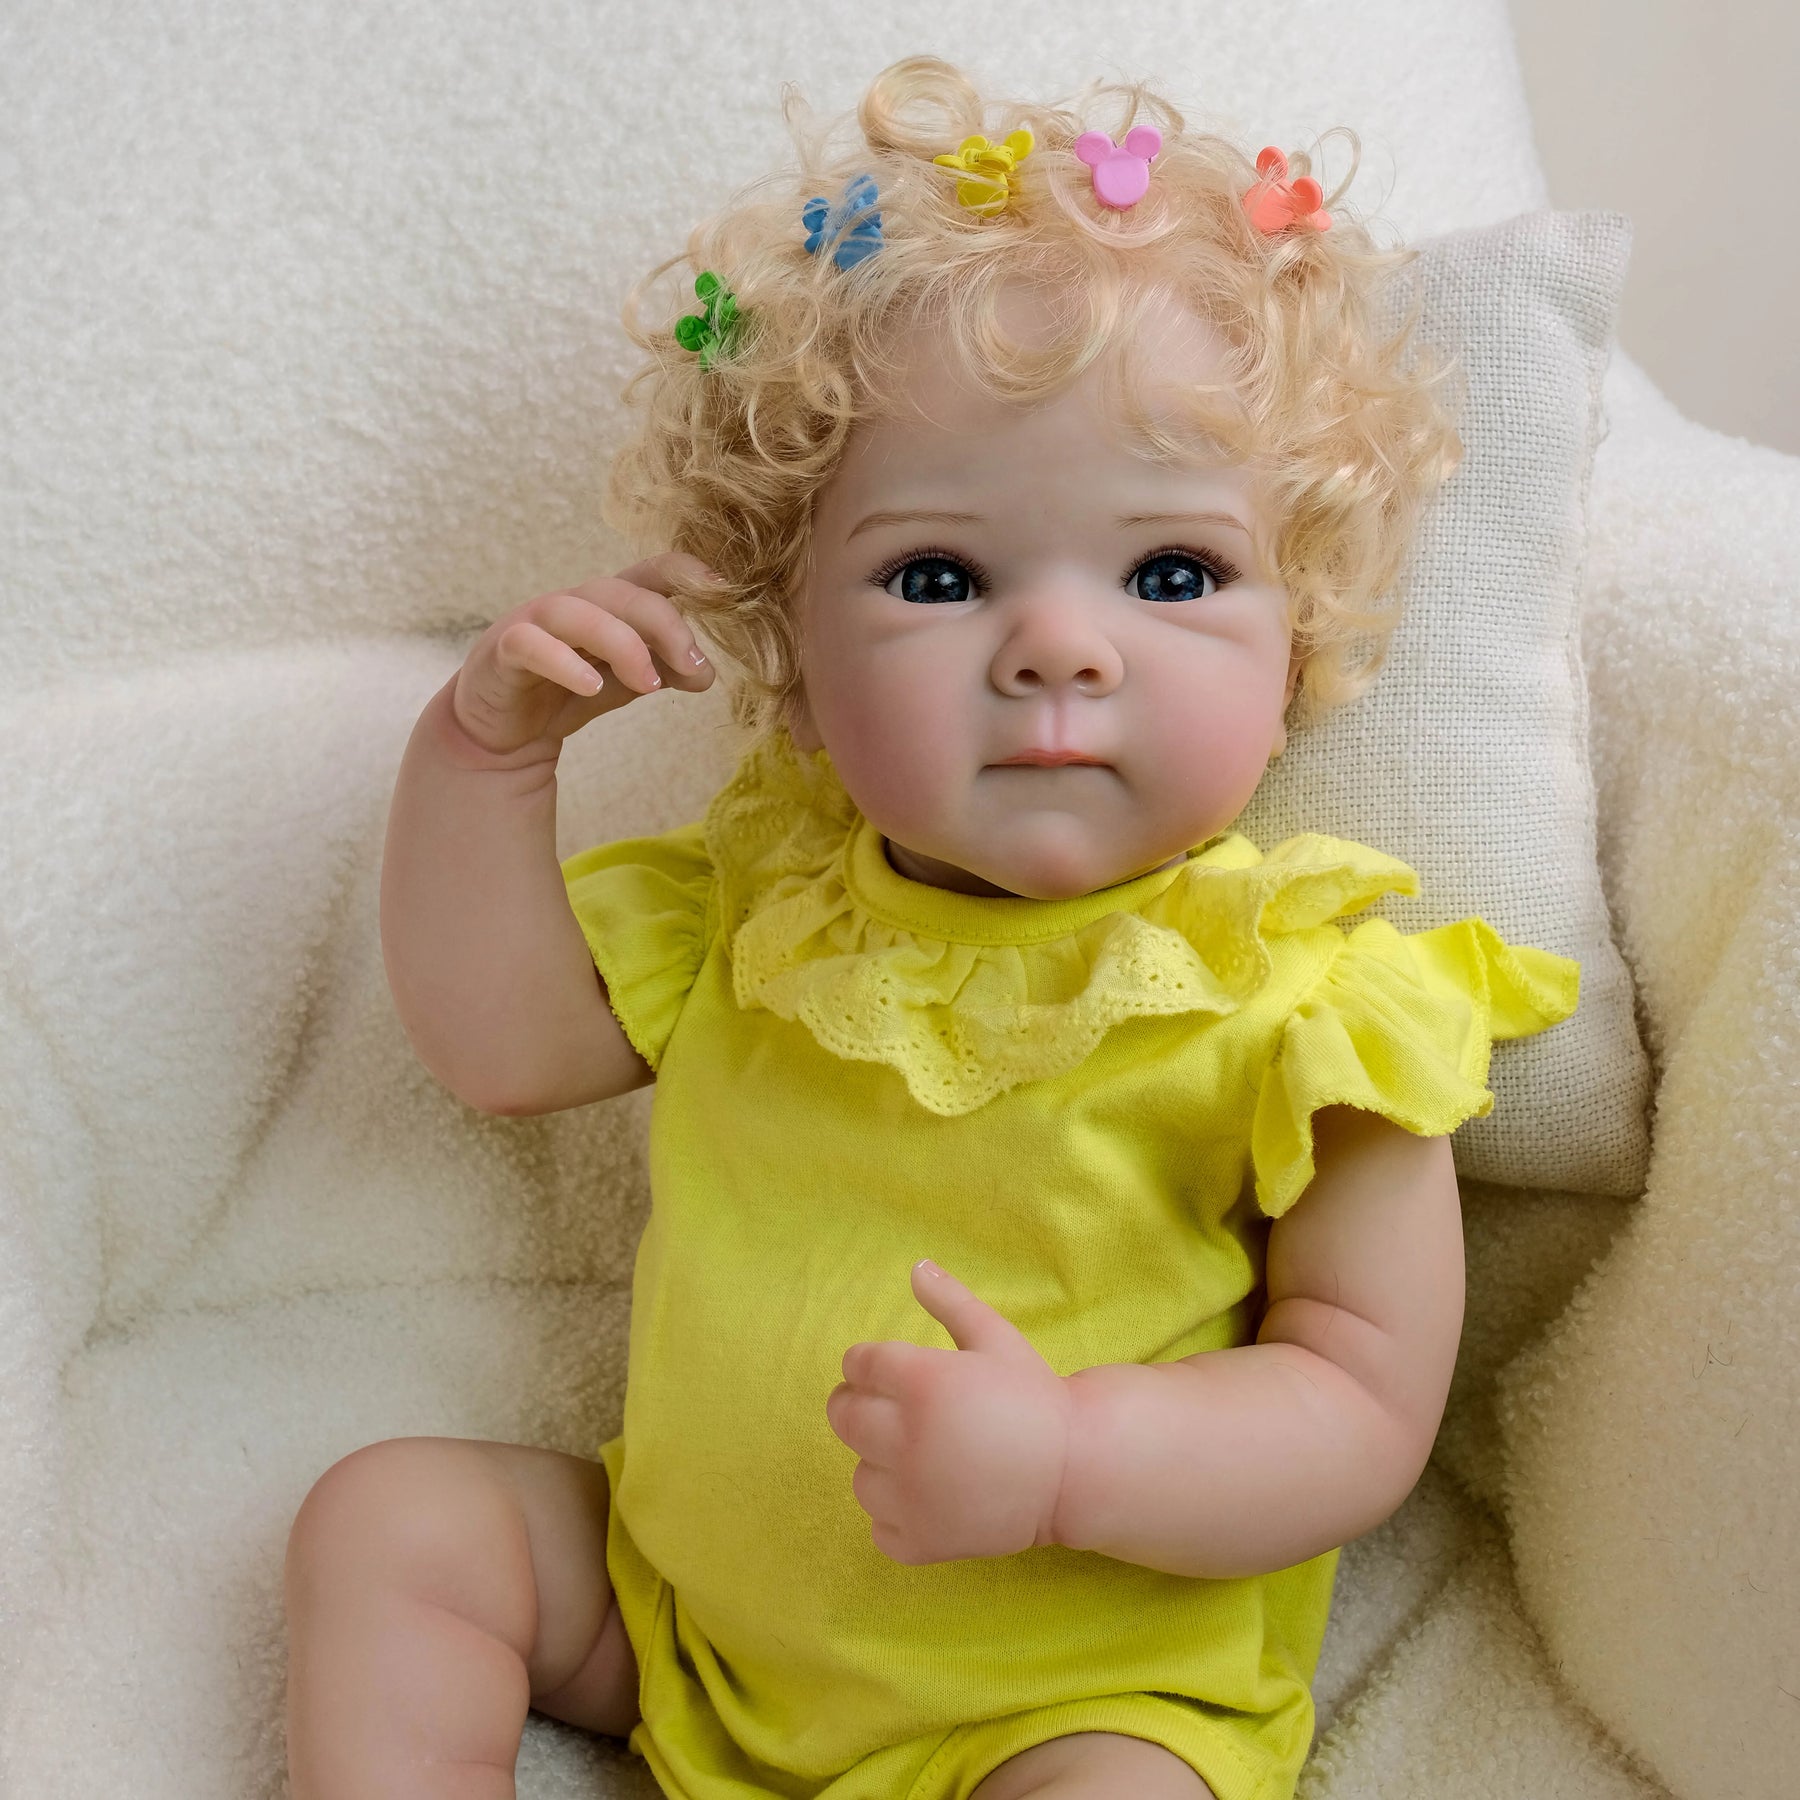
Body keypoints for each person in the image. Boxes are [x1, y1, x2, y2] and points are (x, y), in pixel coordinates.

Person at [283, 55, 1580, 1800]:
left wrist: (1065, 1460)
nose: (1059, 648)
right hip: (685, 1628)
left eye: (1173, 574)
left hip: (1068, 1704)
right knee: (392, 1522)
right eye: (940, 577)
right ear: (796, 660)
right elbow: (501, 1047)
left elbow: (1356, 1413)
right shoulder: (768, 903)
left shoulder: (1306, 999)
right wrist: (483, 758)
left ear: (1303, 641)